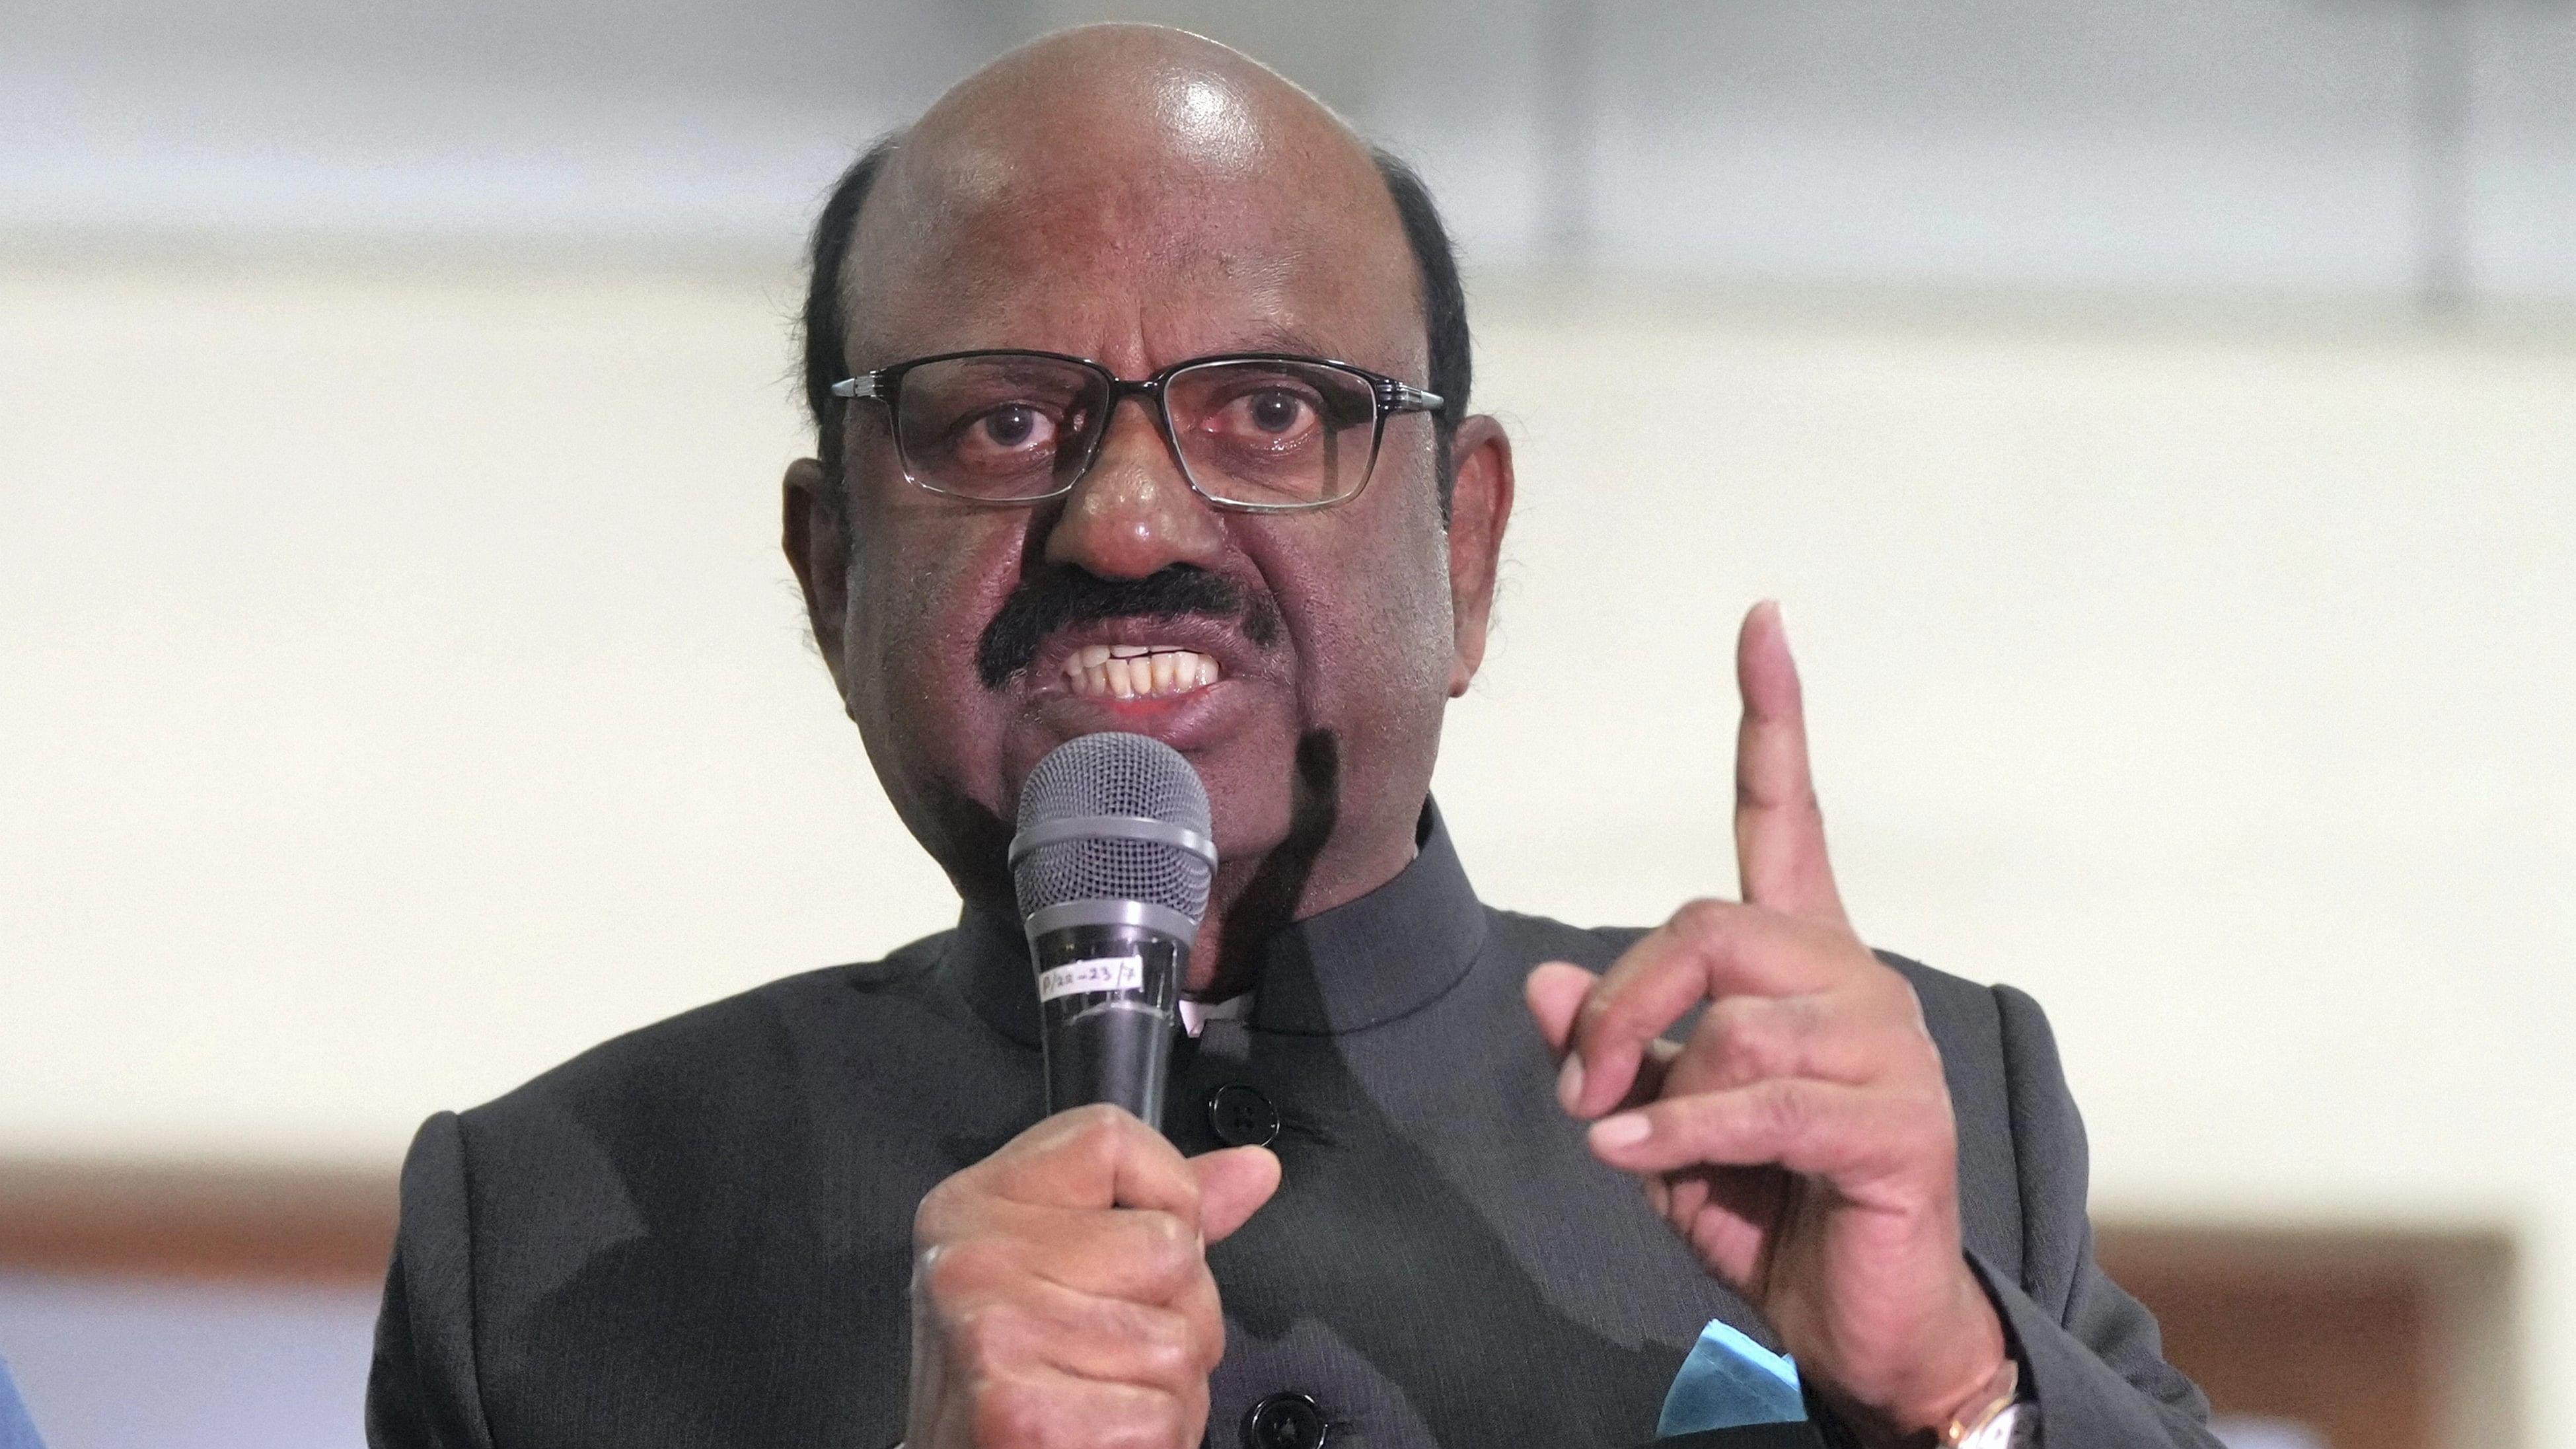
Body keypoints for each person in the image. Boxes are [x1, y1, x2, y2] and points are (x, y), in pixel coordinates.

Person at [367, 24, 2219, 1449]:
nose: (1128, 523)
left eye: (1267, 407)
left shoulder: (1890, 1125)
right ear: (828, 563)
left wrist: (1951, 1390)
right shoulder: (551, 1229)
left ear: (1462, 545)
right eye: (1000, 422)